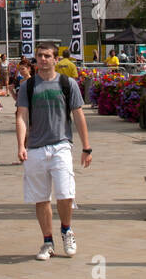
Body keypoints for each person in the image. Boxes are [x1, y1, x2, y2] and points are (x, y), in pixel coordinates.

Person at [17, 40, 91, 260]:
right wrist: (20, 144)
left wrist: (86, 147)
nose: (43, 59)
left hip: (61, 145)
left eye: (48, 56)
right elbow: (21, 115)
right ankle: (47, 241)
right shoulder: (28, 86)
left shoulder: (67, 84)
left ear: (56, 59)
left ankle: (66, 229)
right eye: (39, 56)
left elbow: (78, 115)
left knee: (65, 193)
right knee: (40, 198)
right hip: (36, 148)